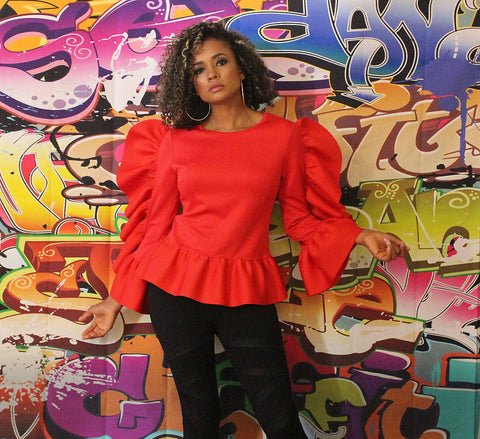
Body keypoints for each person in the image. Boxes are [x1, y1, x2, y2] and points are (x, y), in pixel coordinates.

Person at [79, 20, 409, 439]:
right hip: (174, 289)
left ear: (242, 69)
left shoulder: (285, 137)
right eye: (198, 69)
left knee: (278, 414)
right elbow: (155, 228)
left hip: (246, 284)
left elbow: (300, 219)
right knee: (199, 414)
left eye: (220, 62)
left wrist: (359, 235)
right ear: (191, 83)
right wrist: (115, 300)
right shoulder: (176, 141)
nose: (211, 74)